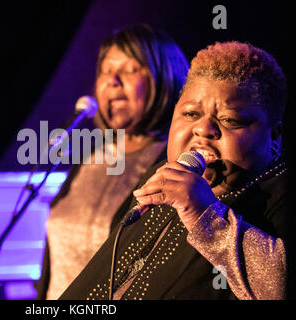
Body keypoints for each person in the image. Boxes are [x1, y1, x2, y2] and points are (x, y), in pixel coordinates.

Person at [59, 41, 293, 300]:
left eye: (229, 119)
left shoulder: (280, 191)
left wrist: (205, 215)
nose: (203, 129)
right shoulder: (163, 174)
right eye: (191, 114)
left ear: (274, 135)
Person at [36, 24, 189, 299]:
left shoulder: (174, 165)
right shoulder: (90, 156)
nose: (112, 81)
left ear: (165, 79)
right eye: (106, 70)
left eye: (130, 69)